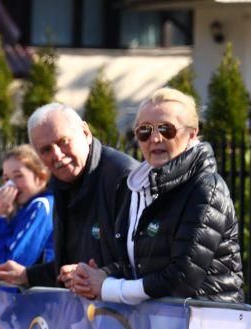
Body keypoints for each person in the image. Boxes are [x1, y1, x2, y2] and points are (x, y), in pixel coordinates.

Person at [70, 88, 244, 303]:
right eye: (144, 130)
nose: (154, 138)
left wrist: (107, 287)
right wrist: (96, 276)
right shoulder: (135, 187)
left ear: (192, 133)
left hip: (208, 320)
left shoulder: (206, 188)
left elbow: (182, 279)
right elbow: (138, 265)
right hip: (158, 320)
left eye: (166, 129)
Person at [0, 103, 137, 289]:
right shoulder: (61, 184)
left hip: (124, 306)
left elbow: (146, 261)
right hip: (86, 305)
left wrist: (101, 275)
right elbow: (68, 265)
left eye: (63, 142)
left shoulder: (124, 178)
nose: (57, 155)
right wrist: (27, 275)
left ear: (85, 133)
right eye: (46, 150)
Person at [0, 145, 54, 277]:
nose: (11, 185)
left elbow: (9, 267)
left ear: (41, 178)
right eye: (6, 179)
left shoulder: (41, 206)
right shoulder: (20, 210)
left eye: (18, 176)